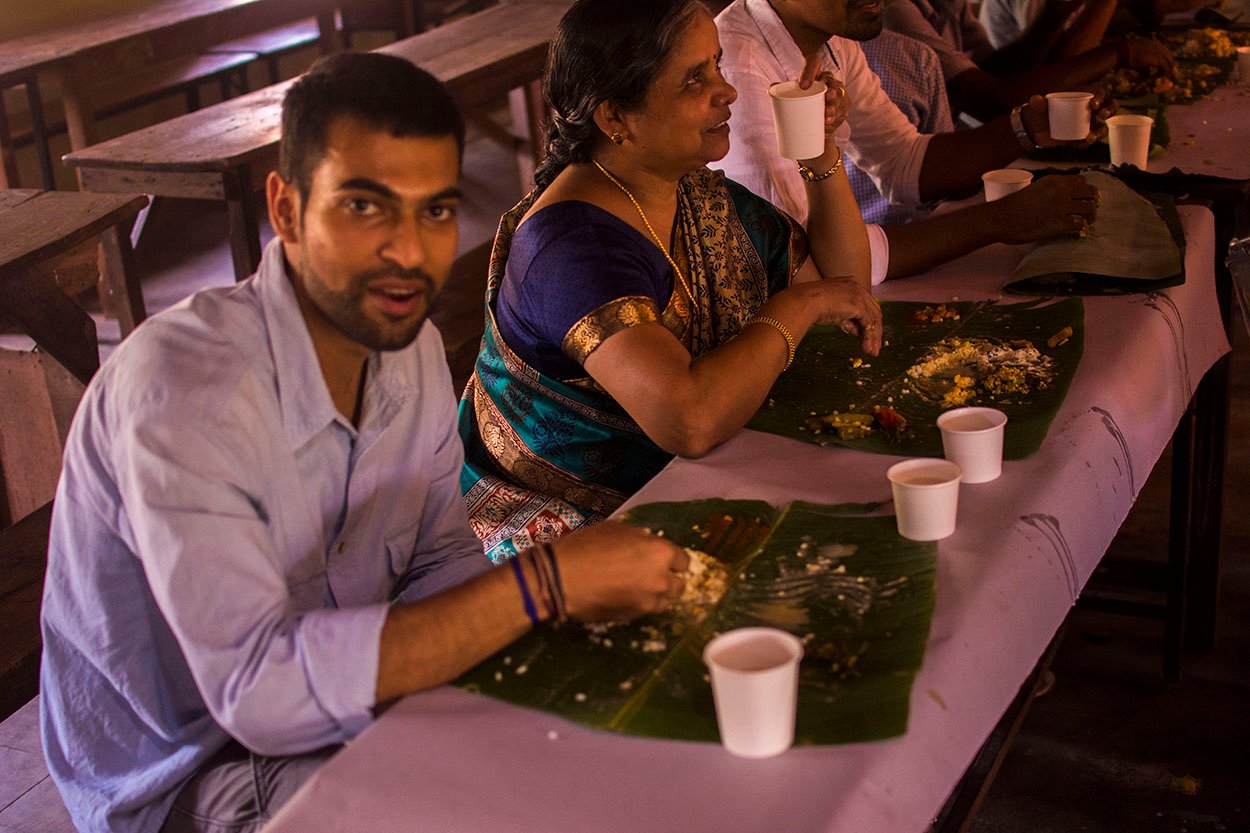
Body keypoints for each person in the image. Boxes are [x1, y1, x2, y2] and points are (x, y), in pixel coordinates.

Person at [39, 53, 687, 833]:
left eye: (436, 212)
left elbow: (438, 557)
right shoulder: (184, 395)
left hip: (350, 699)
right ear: (285, 209)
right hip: (192, 767)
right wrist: (540, 586)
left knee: (610, 742)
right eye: (364, 207)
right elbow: (261, 694)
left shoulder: (399, 340)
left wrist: (551, 616)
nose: (408, 253)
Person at [458, 0, 883, 562]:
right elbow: (690, 420)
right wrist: (800, 306)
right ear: (615, 118)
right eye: (693, 80)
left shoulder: (690, 192)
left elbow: (845, 288)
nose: (726, 91)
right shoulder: (571, 246)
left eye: (717, 65)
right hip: (568, 534)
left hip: (691, 484)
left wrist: (820, 149)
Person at [715, 0, 1102, 281]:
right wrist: (1000, 219)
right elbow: (801, 261)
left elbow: (902, 162)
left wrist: (1029, 127)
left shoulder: (831, 43)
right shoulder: (738, 70)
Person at [882, 0, 1174, 120]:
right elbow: (993, 101)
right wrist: (1121, 53)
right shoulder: (891, 11)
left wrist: (1055, 13)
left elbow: (997, 70)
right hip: (938, 181)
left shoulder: (945, 4)